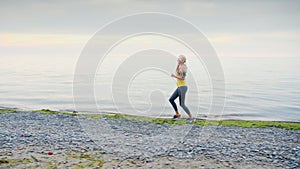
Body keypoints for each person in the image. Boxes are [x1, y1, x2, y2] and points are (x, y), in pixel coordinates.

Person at [169, 55, 195, 123]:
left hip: (183, 87)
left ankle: (191, 117)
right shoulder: (180, 66)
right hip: (179, 87)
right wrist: (178, 64)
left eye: (180, 59)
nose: (178, 59)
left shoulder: (183, 67)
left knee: (182, 104)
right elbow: (177, 71)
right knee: (171, 99)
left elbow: (183, 78)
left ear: (183, 60)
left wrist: (174, 76)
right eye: (178, 59)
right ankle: (177, 114)